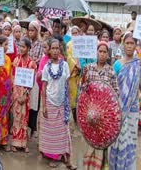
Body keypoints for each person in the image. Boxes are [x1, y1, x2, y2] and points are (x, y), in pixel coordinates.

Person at [81, 41, 118, 170]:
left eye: (104, 52)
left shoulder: (111, 72)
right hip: (90, 114)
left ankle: (101, 166)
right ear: (96, 52)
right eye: (100, 51)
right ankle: (89, 167)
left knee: (102, 143)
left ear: (108, 55)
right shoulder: (89, 68)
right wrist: (84, 77)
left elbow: (115, 94)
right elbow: (83, 90)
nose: (102, 54)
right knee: (91, 140)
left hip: (105, 118)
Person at [40, 38, 75, 169]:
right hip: (49, 102)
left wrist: (69, 103)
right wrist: (43, 106)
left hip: (62, 103)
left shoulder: (64, 65)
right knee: (51, 132)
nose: (55, 51)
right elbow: (44, 87)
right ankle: (53, 157)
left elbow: (67, 84)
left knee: (64, 131)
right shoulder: (46, 67)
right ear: (49, 50)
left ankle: (68, 158)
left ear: (60, 50)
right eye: (52, 48)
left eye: (57, 48)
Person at [109, 32, 140, 170]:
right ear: (123, 45)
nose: (129, 46)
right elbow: (110, 87)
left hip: (132, 110)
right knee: (117, 140)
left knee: (130, 140)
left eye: (131, 43)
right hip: (117, 110)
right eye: (127, 43)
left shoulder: (138, 65)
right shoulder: (117, 64)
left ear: (135, 46)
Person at [11, 38, 37, 153]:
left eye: (24, 47)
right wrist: (16, 94)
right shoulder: (16, 60)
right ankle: (15, 143)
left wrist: (25, 95)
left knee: (24, 118)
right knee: (16, 118)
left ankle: (23, 143)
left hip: (26, 94)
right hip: (16, 93)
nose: (21, 49)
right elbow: (12, 76)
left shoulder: (32, 63)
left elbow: (31, 81)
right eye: (20, 46)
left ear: (28, 48)